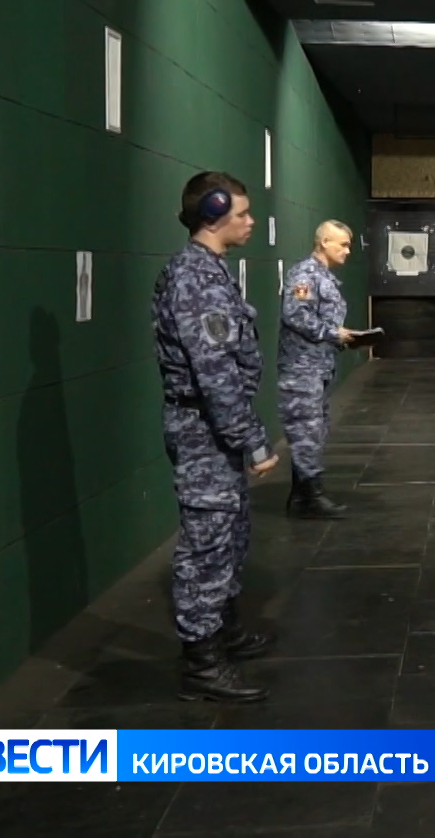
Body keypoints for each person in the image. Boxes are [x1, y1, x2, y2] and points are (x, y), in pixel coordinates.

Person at [151, 171, 275, 703]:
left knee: (229, 535)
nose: (250, 222)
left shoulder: (211, 272)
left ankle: (222, 631)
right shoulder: (194, 278)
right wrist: (251, 439)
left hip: (213, 428)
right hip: (206, 430)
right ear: (214, 213)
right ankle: (201, 662)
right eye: (242, 214)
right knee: (206, 545)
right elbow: (214, 371)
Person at [279, 222, 356, 520]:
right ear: (324, 242)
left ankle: (302, 495)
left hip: (318, 366)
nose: (347, 251)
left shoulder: (323, 277)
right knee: (306, 430)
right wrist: (334, 334)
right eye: (342, 245)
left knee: (314, 429)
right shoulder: (305, 275)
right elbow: (296, 315)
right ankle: (311, 496)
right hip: (301, 369)